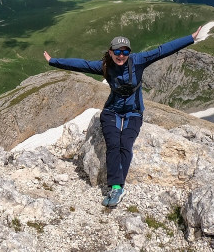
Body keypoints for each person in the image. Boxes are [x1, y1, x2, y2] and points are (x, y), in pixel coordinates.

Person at [43, 26, 202, 207]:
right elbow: (81, 64)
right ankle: (116, 186)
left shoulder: (139, 61)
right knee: (113, 144)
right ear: (110, 52)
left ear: (129, 52)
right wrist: (53, 61)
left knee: (126, 144)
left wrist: (190, 38)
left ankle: (118, 189)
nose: (121, 55)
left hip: (134, 111)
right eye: (117, 51)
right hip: (112, 110)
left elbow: (162, 50)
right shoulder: (104, 66)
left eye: (125, 51)